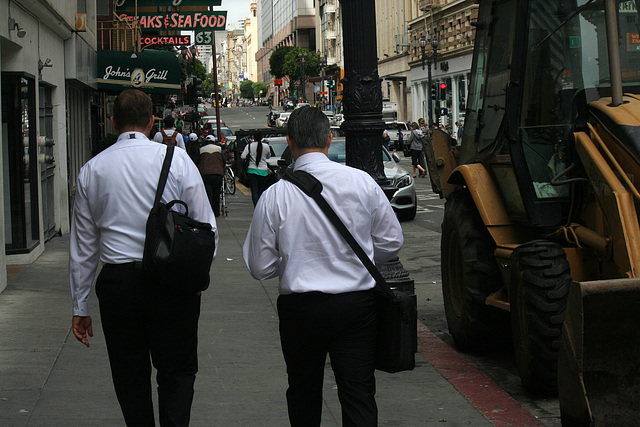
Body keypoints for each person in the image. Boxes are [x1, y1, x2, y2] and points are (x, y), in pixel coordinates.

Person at [243, 106, 404, 426]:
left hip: (300, 309)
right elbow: (391, 242)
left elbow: (260, 267)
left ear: (290, 142)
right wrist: (360, 261)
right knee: (358, 394)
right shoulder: (361, 182)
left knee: (303, 392)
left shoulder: (275, 195)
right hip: (356, 306)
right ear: (329, 140)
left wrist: (293, 261)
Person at [69, 89, 217, 426]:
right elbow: (207, 229)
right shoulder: (177, 160)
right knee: (177, 371)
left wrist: (80, 306)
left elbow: (83, 248)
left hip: (119, 285)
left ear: (112, 122)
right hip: (172, 281)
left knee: (129, 375)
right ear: (151, 122)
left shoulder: (92, 170)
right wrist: (195, 278)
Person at [241, 131, 271, 207]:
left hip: (252, 170)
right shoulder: (266, 146)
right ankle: (261, 207)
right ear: (262, 137)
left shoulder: (249, 146)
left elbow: (243, 156)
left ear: (253, 137)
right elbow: (268, 156)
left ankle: (256, 207)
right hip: (263, 171)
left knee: (254, 191)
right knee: (261, 191)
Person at [199, 134, 226, 217]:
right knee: (216, 193)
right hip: (217, 173)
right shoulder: (219, 149)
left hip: (205, 174)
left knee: (208, 193)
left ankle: (209, 211)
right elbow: (224, 161)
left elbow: (198, 161)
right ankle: (216, 212)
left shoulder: (201, 150)